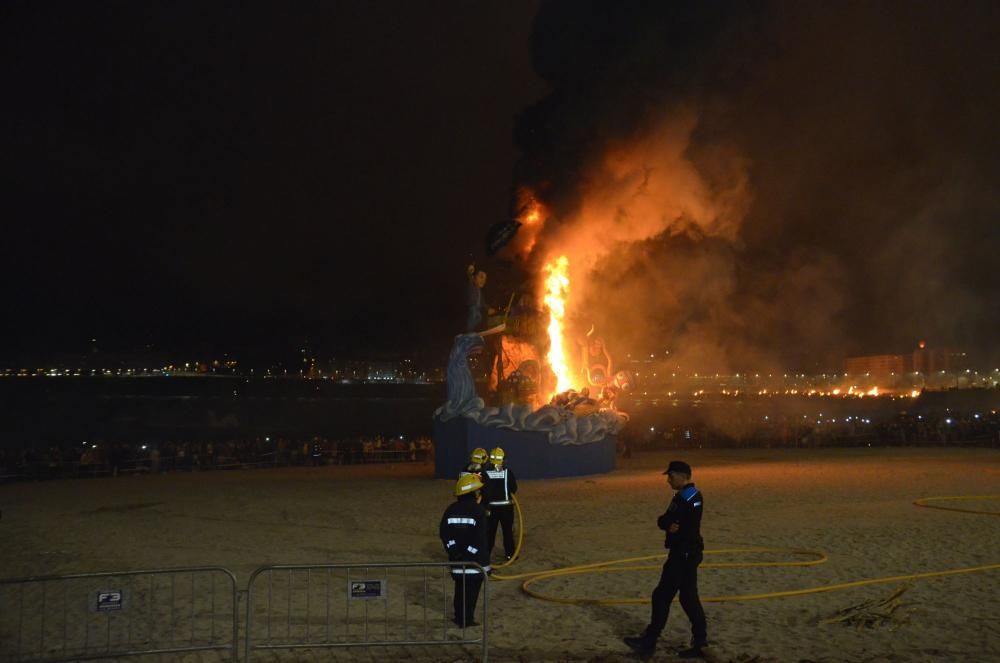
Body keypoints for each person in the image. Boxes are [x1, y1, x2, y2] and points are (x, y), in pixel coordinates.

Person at [624, 460, 708, 659]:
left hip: (683, 554)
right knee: (688, 597)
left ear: (681, 475)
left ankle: (649, 643)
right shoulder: (683, 496)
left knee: (661, 596)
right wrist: (669, 523)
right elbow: (664, 520)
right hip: (687, 553)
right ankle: (700, 641)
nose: (668, 480)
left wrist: (670, 523)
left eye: (670, 476)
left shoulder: (690, 496)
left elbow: (681, 522)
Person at [439, 473, 491, 627]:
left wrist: (454, 551)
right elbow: (479, 538)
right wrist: (469, 553)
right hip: (475, 564)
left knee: (459, 591)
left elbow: (444, 533)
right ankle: (467, 619)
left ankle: (459, 617)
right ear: (473, 492)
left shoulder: (450, 509)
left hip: (457, 562)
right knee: (471, 593)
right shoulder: (478, 511)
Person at [482, 446, 518, 561]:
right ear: (502, 459)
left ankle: (485, 555)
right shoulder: (507, 471)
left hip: (490, 508)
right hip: (506, 508)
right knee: (507, 532)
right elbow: (514, 488)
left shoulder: (485, 472)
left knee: (489, 533)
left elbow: (482, 489)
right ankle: (510, 555)